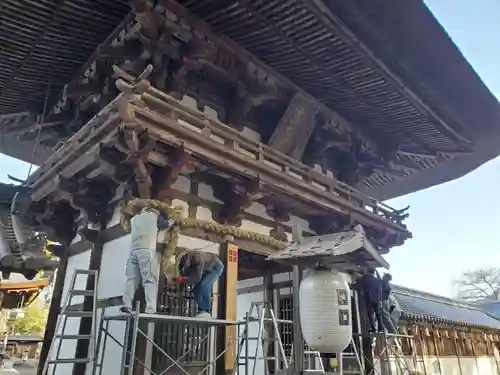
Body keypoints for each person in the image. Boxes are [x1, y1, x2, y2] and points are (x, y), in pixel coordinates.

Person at [121, 207, 174, 314]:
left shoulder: (134, 219)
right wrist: (173, 220)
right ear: (153, 211)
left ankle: (126, 305)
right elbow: (166, 225)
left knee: (131, 279)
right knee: (149, 279)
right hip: (146, 249)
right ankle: (150, 309)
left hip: (133, 251)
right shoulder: (154, 217)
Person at [172, 250, 224, 318]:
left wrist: (183, 279)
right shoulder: (186, 265)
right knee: (196, 289)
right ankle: (201, 310)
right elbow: (186, 280)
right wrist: (179, 292)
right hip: (205, 270)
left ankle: (206, 310)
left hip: (216, 267)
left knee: (204, 284)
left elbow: (196, 278)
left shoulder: (197, 258)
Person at [358, 268, 384, 333]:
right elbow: (380, 291)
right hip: (377, 299)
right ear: (373, 273)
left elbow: (358, 284)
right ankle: (381, 327)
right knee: (378, 314)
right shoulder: (377, 281)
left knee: (370, 314)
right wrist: (380, 300)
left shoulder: (365, 278)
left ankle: (373, 328)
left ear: (368, 271)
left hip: (368, 298)